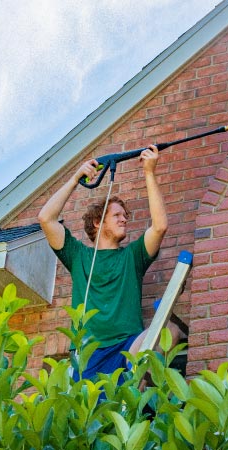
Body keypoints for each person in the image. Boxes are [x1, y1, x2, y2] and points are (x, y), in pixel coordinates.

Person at [37, 144, 179, 381]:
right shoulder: (79, 256)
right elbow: (45, 218)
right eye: (117, 215)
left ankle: (137, 384)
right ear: (97, 222)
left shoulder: (132, 256)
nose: (124, 219)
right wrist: (75, 178)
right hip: (89, 352)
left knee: (170, 331)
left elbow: (160, 226)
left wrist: (149, 173)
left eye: (125, 216)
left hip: (127, 347)